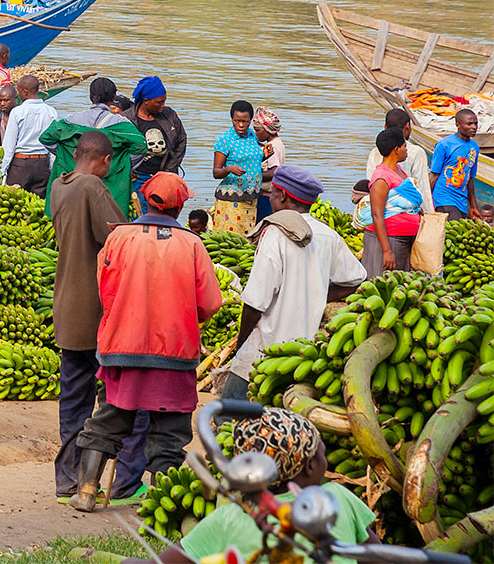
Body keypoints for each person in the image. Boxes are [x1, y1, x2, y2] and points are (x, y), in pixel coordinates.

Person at [69, 172, 223, 512]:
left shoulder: (118, 238)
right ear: (180, 207)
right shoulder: (192, 244)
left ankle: (86, 491)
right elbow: (210, 303)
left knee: (109, 418)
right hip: (174, 352)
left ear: (142, 199)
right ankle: (159, 503)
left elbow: (104, 288)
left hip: (120, 347)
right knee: (169, 431)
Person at [51, 131, 148, 505]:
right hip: (97, 310)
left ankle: (67, 480)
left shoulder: (61, 185)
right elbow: (121, 238)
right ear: (106, 161)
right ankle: (118, 481)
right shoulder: (92, 186)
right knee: (117, 400)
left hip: (66, 306)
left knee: (73, 398)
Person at [145, 409, 378, 564]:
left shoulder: (229, 517)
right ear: (309, 466)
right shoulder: (338, 497)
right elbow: (381, 556)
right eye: (322, 455)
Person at [221, 166, 365, 401]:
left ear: (283, 196)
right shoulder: (328, 235)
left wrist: (240, 343)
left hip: (265, 347)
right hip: (305, 353)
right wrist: (317, 292)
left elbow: (256, 301)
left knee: (228, 415)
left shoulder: (276, 233)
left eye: (273, 193)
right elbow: (357, 279)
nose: (270, 197)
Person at [41, 85, 147, 220]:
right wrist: (118, 164)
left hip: (75, 176)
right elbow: (141, 145)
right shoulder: (121, 123)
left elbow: (46, 138)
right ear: (113, 98)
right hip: (109, 180)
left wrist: (67, 155)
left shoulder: (71, 120)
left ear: (91, 97)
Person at [360, 127, 422, 277]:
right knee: (382, 284)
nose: (406, 151)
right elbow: (377, 215)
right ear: (396, 149)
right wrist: (387, 250)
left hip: (404, 239)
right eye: (404, 147)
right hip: (389, 239)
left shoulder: (399, 170)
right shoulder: (381, 177)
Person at [362, 108, 436, 214]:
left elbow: (370, 184)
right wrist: (429, 214)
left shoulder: (375, 152)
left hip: (381, 208)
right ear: (407, 126)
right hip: (405, 213)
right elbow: (422, 188)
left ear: (385, 127)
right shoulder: (416, 152)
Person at [122, 77, 187, 193]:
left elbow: (181, 141)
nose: (163, 105)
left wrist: (168, 171)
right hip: (137, 177)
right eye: (159, 102)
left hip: (165, 176)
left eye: (164, 101)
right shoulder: (126, 120)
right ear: (146, 101)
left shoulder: (169, 115)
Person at [211, 100, 263, 236]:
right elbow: (216, 172)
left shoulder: (252, 136)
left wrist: (265, 155)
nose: (240, 125)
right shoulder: (225, 140)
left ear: (250, 120)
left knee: (247, 238)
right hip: (231, 199)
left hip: (251, 197)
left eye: (245, 121)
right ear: (232, 119)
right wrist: (228, 169)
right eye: (236, 120)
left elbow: (252, 160)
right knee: (231, 240)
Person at [1, 75, 56, 196]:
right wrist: (51, 169)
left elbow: (9, 146)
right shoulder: (51, 112)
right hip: (42, 165)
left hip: (20, 165)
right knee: (38, 204)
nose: (18, 94)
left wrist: (2, 170)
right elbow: (53, 145)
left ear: (25, 92)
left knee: (15, 202)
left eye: (19, 91)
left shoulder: (17, 112)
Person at [429, 108, 481, 221]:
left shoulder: (474, 147)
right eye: (469, 124)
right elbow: (434, 175)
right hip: (444, 199)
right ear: (458, 124)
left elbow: (470, 178)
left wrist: (473, 207)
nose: (474, 127)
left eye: (475, 123)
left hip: (461, 201)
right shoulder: (444, 145)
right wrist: (426, 201)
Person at [252, 107, 285, 221]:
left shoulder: (272, 146)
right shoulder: (277, 142)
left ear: (267, 129)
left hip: (266, 197)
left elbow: (274, 171)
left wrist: (253, 176)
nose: (256, 133)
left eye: (258, 130)